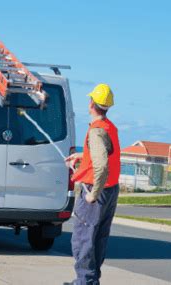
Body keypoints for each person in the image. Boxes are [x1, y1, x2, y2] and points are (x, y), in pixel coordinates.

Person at [64, 83, 121, 285]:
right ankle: (89, 280)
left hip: (96, 193)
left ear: (91, 104)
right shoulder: (108, 127)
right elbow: (105, 155)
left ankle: (85, 282)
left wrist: (92, 194)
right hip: (111, 190)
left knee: (82, 239)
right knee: (97, 239)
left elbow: (102, 166)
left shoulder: (96, 132)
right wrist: (82, 155)